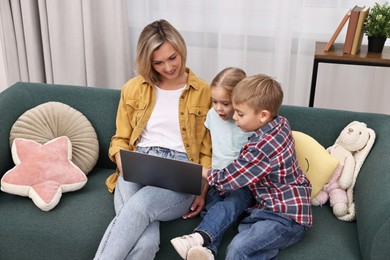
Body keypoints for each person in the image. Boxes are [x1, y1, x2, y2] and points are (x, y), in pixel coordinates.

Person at [94, 19, 212, 260]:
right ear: (148, 61)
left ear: (182, 50)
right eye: (158, 62)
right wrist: (122, 161)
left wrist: (203, 189)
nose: (168, 67)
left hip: (180, 172)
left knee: (137, 207)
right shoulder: (133, 88)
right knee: (146, 244)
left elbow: (208, 151)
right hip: (137, 163)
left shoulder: (204, 91)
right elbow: (120, 138)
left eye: (173, 57)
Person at [202, 74, 312, 259]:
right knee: (251, 242)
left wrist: (202, 171)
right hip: (264, 211)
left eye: (240, 113)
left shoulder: (262, 147)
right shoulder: (280, 123)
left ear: (263, 115)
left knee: (239, 248)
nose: (235, 118)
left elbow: (229, 179)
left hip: (286, 217)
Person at [171, 67, 255, 260]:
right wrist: (203, 190)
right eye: (214, 102)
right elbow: (209, 154)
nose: (219, 108)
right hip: (216, 182)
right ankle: (208, 251)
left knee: (230, 205)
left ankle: (197, 239)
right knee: (213, 209)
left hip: (243, 185)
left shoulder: (249, 123)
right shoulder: (212, 117)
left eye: (225, 103)